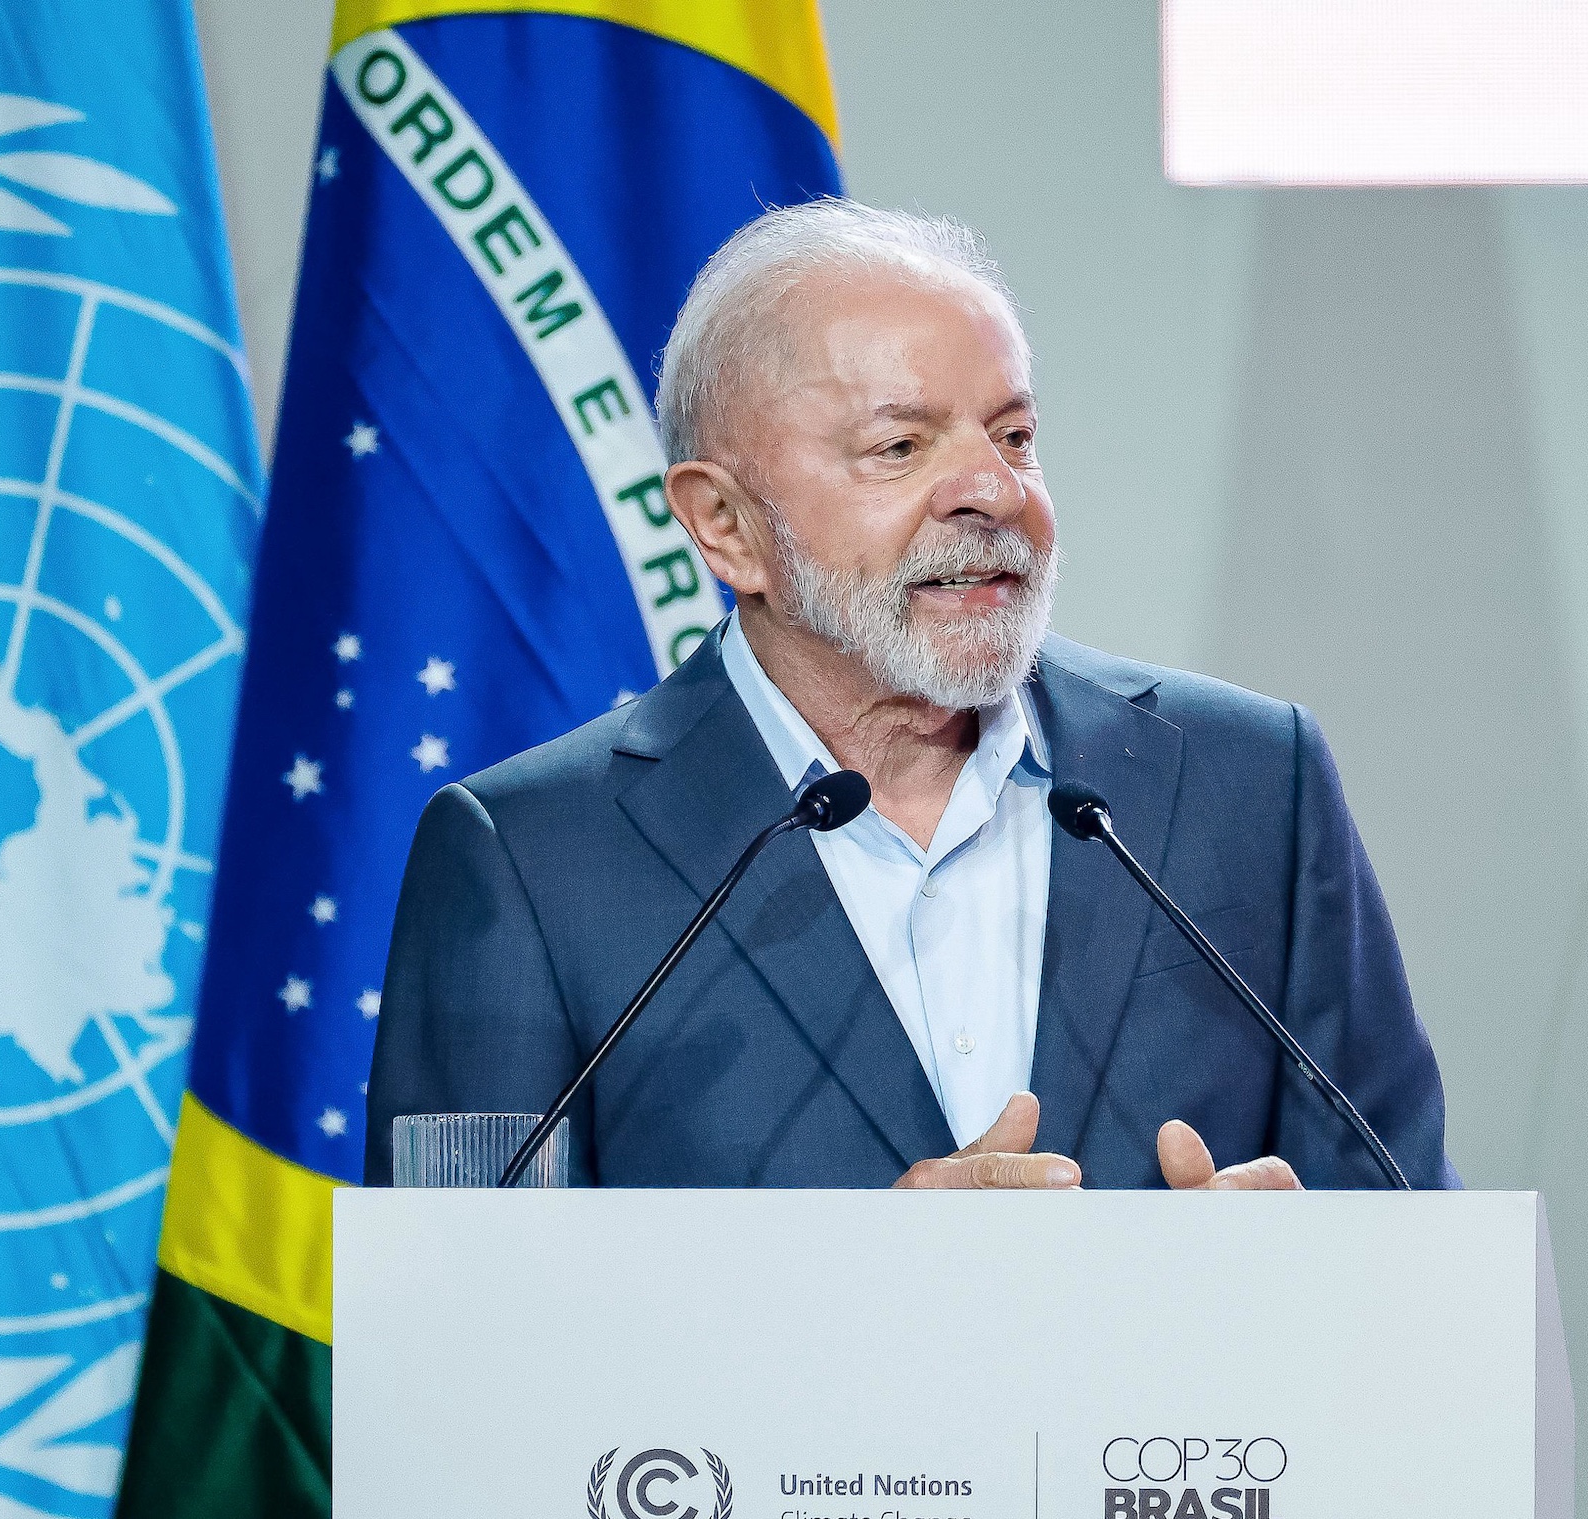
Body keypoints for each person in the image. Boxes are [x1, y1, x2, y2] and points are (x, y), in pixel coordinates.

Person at [365, 199, 1454, 1193]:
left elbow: (1407, 1242)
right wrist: (858, 1310)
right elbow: (463, 1350)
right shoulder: (531, 858)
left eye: (1014, 436)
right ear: (725, 526)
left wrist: (1301, 1287)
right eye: (900, 446)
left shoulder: (1247, 783)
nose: (992, 490)